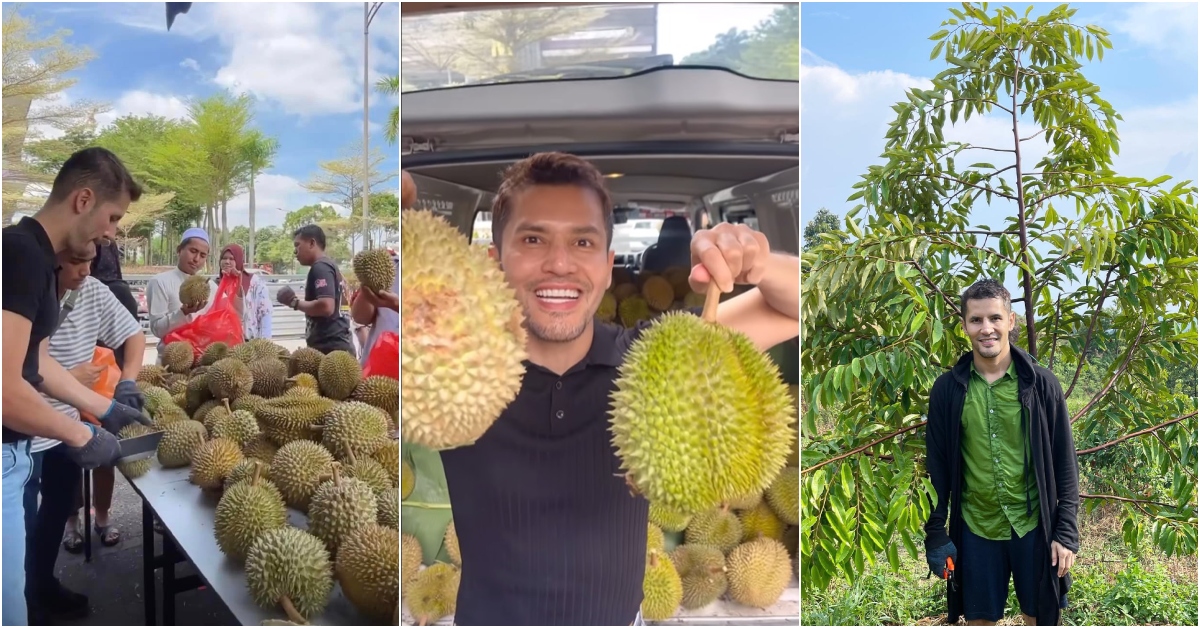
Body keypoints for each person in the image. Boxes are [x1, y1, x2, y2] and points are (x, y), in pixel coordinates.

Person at [436, 152, 800, 625]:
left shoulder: (654, 356)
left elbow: (798, 304)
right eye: (532, 238)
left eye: (583, 242)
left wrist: (758, 260)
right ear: (493, 262)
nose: (560, 263)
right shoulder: (451, 374)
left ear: (608, 267)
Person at [2, 146, 151, 626]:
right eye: (112, 217)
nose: (111, 234)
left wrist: (102, 408)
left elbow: (36, 363)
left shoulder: (35, 257)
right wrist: (81, 434)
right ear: (83, 200)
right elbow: (5, 387)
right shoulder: (22, 253)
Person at [923, 279, 1079, 626]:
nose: (986, 328)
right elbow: (937, 468)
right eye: (976, 320)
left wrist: (1066, 532)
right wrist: (936, 532)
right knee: (979, 619)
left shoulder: (1041, 385)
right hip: (976, 526)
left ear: (1011, 321)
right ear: (964, 326)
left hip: (1033, 526)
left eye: (995, 318)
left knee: (1039, 616)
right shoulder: (948, 391)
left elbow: (1064, 463)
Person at [28, 240, 146, 623]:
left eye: (90, 262)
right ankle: (20, 596)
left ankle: (42, 584)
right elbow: (21, 369)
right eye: (76, 262)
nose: (85, 270)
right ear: (53, 259)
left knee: (57, 508)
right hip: (21, 430)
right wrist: (70, 378)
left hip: (66, 426)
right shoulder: (26, 288)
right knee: (21, 520)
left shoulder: (93, 292)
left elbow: (133, 334)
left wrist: (127, 382)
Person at [277, 225, 355, 355]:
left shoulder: (321, 267)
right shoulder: (330, 266)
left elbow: (326, 307)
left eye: (298, 245)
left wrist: (294, 303)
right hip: (340, 346)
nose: (295, 251)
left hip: (331, 349)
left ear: (312, 243)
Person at [144, 227, 219, 339]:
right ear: (179, 250)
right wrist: (183, 313)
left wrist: (237, 291)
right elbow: (157, 329)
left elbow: (231, 315)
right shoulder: (159, 282)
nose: (196, 259)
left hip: (204, 354)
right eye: (193, 251)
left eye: (203, 256)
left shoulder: (211, 286)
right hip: (170, 353)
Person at [349, 247, 399, 365]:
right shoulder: (393, 266)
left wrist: (397, 306)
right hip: (377, 365)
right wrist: (368, 286)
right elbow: (360, 318)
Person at [219, 243, 273, 341]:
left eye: (231, 259)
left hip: (249, 342)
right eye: (224, 258)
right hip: (224, 343)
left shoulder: (256, 283)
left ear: (239, 261)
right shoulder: (216, 284)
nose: (227, 262)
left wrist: (265, 341)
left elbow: (265, 313)